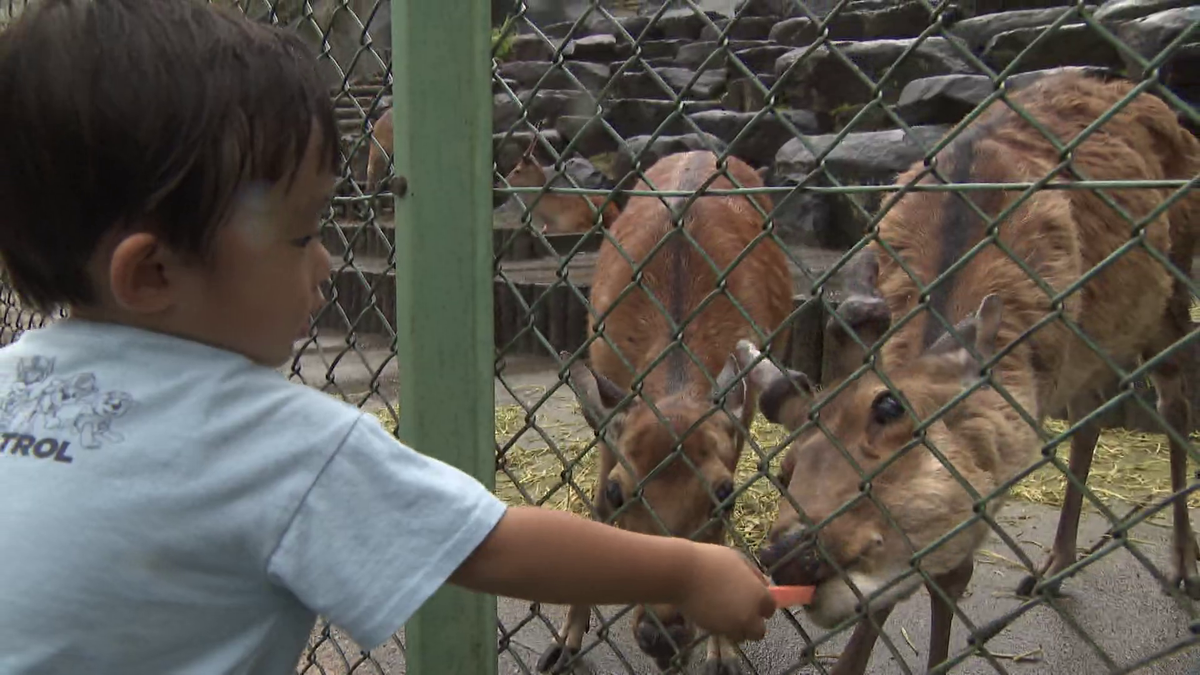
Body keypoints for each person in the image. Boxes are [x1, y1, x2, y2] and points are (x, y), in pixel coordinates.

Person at [0, 1, 777, 673]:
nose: (329, 261)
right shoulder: (276, 442)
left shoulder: (9, 378)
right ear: (154, 273)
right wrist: (687, 570)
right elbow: (491, 544)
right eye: (302, 234)